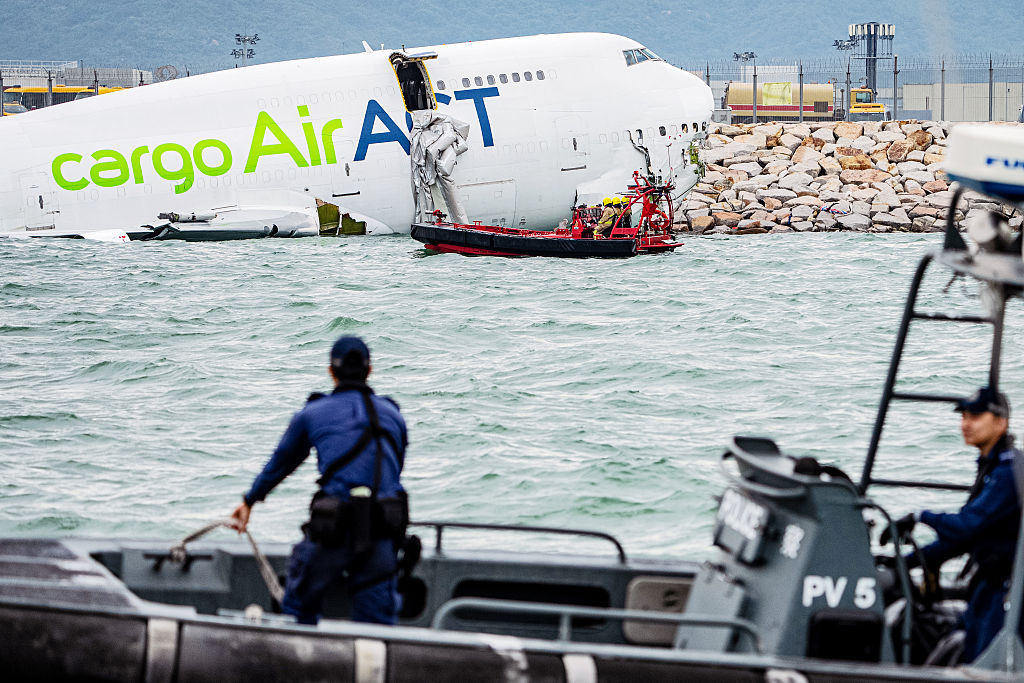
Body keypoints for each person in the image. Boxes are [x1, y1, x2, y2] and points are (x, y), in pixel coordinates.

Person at [229, 335, 408, 625]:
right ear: (370, 370)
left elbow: (281, 464)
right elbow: (394, 470)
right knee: (378, 622)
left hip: (332, 532)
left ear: (331, 371)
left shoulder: (312, 414)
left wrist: (249, 500)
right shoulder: (393, 416)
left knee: (298, 607)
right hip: (381, 531)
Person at [883, 386, 1022, 662]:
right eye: (963, 417)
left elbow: (967, 526)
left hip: (1005, 590)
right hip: (987, 586)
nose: (965, 424)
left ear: (1001, 423)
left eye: (975, 417)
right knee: (955, 647)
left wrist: (920, 516)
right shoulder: (991, 467)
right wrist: (905, 563)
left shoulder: (1009, 473)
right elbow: (961, 540)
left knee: (981, 661)